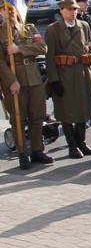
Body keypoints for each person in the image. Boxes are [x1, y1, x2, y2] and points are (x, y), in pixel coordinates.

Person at [45, 0, 91, 159]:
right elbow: (50, 57)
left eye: (75, 9)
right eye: (69, 9)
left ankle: (82, 142)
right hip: (65, 74)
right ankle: (72, 146)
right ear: (61, 11)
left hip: (83, 71)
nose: (73, 12)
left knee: (84, 108)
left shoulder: (84, 26)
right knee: (66, 111)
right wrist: (54, 80)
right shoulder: (53, 29)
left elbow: (90, 49)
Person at [0, 9, 52, 169]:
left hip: (34, 78)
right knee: (18, 119)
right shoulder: (1, 32)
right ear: (1, 11)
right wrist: (11, 81)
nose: (11, 12)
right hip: (15, 80)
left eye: (13, 8)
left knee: (38, 116)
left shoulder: (29, 28)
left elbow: (43, 47)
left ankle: (37, 150)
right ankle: (22, 153)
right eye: (6, 9)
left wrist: (19, 49)